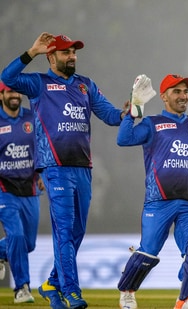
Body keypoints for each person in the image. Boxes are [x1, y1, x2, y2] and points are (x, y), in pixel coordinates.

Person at [1, 32, 127, 309]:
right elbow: (8, 78)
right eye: (66, 52)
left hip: (83, 167)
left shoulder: (85, 85)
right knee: (65, 232)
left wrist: (126, 113)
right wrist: (30, 52)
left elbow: (108, 114)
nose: (72, 57)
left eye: (74, 52)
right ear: (51, 56)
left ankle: (51, 286)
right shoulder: (39, 84)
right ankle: (72, 291)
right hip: (54, 168)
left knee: (77, 233)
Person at [116, 74, 188, 309]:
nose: (183, 96)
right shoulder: (153, 123)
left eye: (185, 91)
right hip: (159, 200)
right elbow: (124, 139)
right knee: (148, 253)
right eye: (177, 91)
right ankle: (127, 290)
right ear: (163, 97)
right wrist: (135, 109)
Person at [0, 82, 43, 304]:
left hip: (30, 188)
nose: (15, 95)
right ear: (1, 95)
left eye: (17, 92)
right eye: (9, 92)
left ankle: (0, 251)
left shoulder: (31, 118)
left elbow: (42, 148)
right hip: (4, 190)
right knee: (15, 236)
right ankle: (22, 288)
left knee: (28, 244)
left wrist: (43, 173)